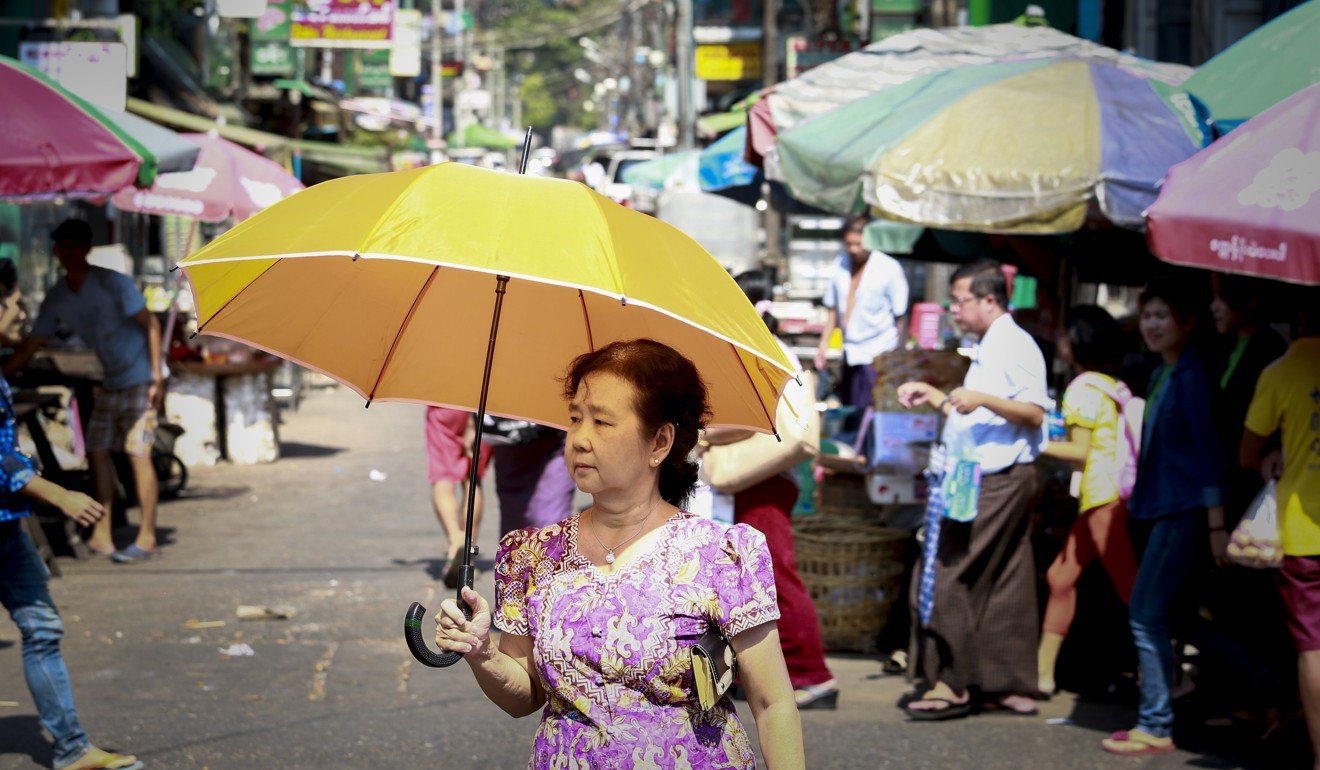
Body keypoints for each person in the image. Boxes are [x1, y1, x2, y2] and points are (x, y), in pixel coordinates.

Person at [434, 339, 804, 768]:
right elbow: (525, 697)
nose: (580, 439)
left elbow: (772, 702)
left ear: (660, 442)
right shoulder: (530, 555)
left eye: (603, 422)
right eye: (575, 419)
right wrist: (483, 654)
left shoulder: (720, 554)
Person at [0, 259, 144, 770]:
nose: (23, 311)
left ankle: (70, 747)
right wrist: (60, 495)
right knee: (41, 627)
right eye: (14, 302)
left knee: (42, 627)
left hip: (7, 530)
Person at [895, 259, 1049, 720]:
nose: (953, 310)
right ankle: (1006, 682)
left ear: (989, 299)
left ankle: (953, 681)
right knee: (1006, 575)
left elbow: (1034, 413)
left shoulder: (1015, 343)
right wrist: (934, 392)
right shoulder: (989, 344)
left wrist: (980, 397)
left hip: (997, 478)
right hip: (982, 473)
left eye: (960, 300)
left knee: (948, 571)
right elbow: (977, 417)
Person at [1101, 278, 1225, 756]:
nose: (1151, 325)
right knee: (1174, 617)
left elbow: (1210, 453)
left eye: (1162, 316)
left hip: (1185, 512)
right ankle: (1270, 688)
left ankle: (1155, 722)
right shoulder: (1161, 374)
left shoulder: (1191, 376)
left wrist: (1216, 524)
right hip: (1162, 508)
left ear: (1187, 323)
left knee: (1145, 612)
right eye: (1147, 315)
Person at [702, 269, 837, 709]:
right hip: (763, 479)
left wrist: (702, 432)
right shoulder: (765, 348)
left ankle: (811, 672)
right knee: (755, 577)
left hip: (763, 481)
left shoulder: (762, 350)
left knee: (773, 575)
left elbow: (754, 417)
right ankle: (775, 672)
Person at [3, 220, 163, 564]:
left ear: (87, 249)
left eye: (76, 244)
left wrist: (157, 379)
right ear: (57, 251)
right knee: (97, 450)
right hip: (112, 380)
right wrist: (4, 371)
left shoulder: (113, 283)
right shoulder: (58, 296)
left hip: (141, 378)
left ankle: (147, 536)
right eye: (64, 246)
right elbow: (33, 343)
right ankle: (102, 531)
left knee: (138, 453)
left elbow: (151, 325)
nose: (70, 252)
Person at [1036, 306, 1139, 696]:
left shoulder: (1082, 387)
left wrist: (1037, 444)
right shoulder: (1111, 384)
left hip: (1102, 497)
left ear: (1078, 340)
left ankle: (1167, 681)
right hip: (1108, 497)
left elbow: (1080, 452)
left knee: (1132, 592)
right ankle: (1042, 675)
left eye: (1064, 332)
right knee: (1060, 577)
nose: (1058, 339)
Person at [1241, 290, 1320, 770]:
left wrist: (1276, 453)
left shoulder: (1281, 372)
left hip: (1304, 532)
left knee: (1314, 648)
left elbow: (1247, 453)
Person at [814, 216, 909, 411]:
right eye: (849, 244)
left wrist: (899, 354)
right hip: (850, 350)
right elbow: (833, 309)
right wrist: (823, 345)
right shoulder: (840, 264)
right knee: (850, 410)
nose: (853, 249)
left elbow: (900, 315)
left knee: (873, 410)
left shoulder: (888, 268)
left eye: (858, 244)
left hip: (879, 351)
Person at [425, 406, 492, 589]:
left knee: (443, 479)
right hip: (482, 406)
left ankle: (455, 540)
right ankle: (467, 550)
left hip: (444, 404)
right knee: (473, 479)